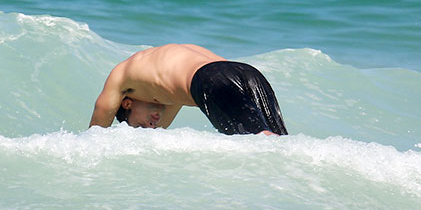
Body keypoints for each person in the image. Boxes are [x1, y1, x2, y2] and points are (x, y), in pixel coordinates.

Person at [89, 44, 287, 135]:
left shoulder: (120, 76)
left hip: (212, 80)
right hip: (247, 72)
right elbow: (155, 136)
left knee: (262, 144)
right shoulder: (163, 84)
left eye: (140, 125)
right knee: (281, 147)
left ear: (127, 103)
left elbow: (95, 136)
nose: (150, 126)